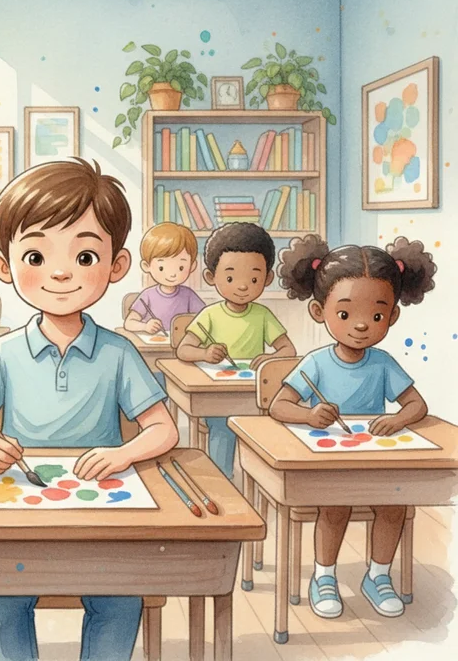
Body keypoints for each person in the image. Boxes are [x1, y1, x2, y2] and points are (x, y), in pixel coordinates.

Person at [0, 158, 179, 661]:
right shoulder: (3, 352)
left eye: (86, 257)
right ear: (5, 267)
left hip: (101, 509)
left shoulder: (118, 352)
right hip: (22, 508)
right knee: (0, 599)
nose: (62, 272)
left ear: (116, 266)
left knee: (118, 600)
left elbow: (163, 431)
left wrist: (122, 455)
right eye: (36, 255)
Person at [270, 234, 434, 620]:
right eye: (345, 315)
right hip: (331, 462)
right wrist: (309, 416)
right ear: (319, 311)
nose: (361, 326)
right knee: (335, 508)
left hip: (375, 458)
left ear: (391, 316)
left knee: (394, 507)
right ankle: (323, 575)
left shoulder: (383, 363)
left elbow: (417, 405)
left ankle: (377, 575)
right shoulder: (315, 362)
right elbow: (279, 406)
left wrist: (396, 419)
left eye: (376, 316)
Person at [176, 222, 296, 479]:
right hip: (219, 395)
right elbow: (184, 350)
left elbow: (288, 348)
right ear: (212, 277)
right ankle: (222, 481)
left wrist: (272, 357)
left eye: (253, 279)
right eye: (230, 278)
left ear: (267, 278)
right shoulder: (210, 315)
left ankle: (257, 479)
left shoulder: (263, 315)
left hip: (254, 393)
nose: (242, 286)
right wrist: (205, 354)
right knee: (222, 425)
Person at [124, 222, 205, 335]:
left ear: (192, 266)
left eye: (181, 267)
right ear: (146, 266)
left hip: (181, 346)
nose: (172, 274)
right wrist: (145, 326)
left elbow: (205, 319)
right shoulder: (148, 295)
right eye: (161, 267)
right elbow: (129, 323)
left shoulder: (189, 295)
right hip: (155, 347)